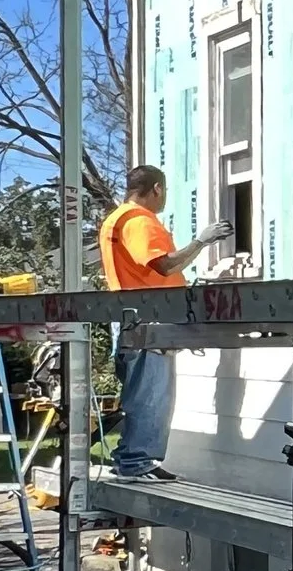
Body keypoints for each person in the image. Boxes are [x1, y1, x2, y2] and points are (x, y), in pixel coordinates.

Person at [96, 164, 231, 483]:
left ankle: (130, 457)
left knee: (141, 391)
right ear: (156, 188)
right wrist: (202, 241)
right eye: (165, 191)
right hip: (149, 319)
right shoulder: (139, 221)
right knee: (152, 393)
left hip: (130, 315)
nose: (165, 197)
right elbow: (164, 264)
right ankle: (137, 462)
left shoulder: (116, 219)